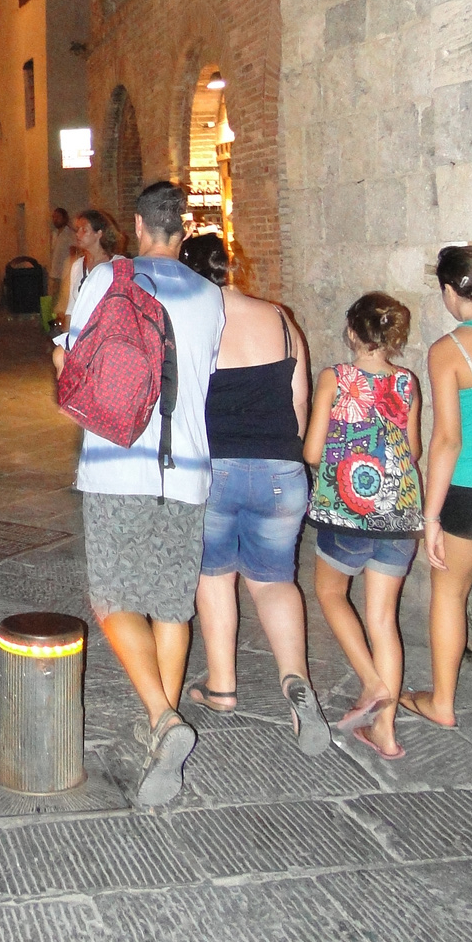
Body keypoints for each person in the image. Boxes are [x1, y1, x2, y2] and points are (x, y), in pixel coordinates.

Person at [53, 181, 224, 806]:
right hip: (189, 471)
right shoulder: (212, 295)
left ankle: (163, 715)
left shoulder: (104, 279)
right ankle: (162, 726)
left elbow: (69, 365)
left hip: (115, 462)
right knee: (172, 605)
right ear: (184, 228)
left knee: (110, 597)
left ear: (136, 224)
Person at [178, 233, 328, 755]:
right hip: (280, 470)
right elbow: (300, 400)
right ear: (230, 267)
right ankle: (296, 683)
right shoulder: (281, 319)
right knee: (274, 581)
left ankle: (221, 687)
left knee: (214, 575)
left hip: (214, 468)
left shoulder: (192, 325)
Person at [305, 293, 423, 760]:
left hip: (348, 512)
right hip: (400, 511)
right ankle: (386, 734)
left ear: (352, 332)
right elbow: (412, 451)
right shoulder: (408, 382)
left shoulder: (336, 377)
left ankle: (373, 684)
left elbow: (313, 451)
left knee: (331, 594)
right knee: (383, 620)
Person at [401, 245, 472, 728]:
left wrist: (431, 515)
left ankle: (441, 703)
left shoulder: (451, 349)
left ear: (450, 290)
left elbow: (446, 440)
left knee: (449, 591)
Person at [56, 208, 122, 328]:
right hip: (82, 335)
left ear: (99, 233)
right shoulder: (77, 266)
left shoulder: (118, 264)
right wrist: (67, 340)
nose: (77, 234)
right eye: (77, 229)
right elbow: (71, 308)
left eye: (84, 230)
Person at [48, 206, 75, 296]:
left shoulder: (70, 234)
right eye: (54, 217)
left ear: (64, 218)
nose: (55, 219)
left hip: (65, 273)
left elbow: (73, 253)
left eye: (58, 217)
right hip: (55, 272)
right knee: (54, 297)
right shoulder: (54, 234)